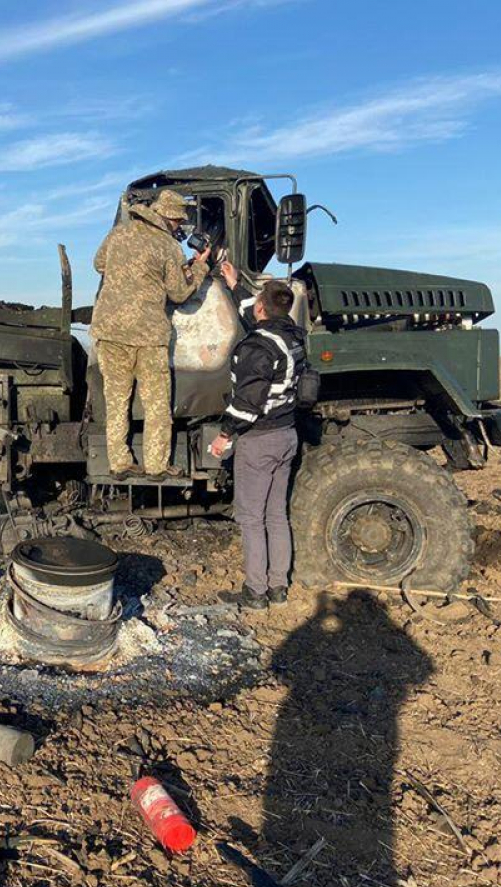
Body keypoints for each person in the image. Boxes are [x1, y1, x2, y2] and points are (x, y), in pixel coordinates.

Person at [91, 189, 212, 480]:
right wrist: (200, 266)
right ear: (171, 218)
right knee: (156, 404)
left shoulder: (119, 234)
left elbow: (99, 264)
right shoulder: (168, 247)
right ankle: (156, 466)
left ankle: (119, 463)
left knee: (117, 401)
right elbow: (180, 293)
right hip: (148, 337)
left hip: (110, 332)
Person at [209, 266, 306, 608]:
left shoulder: (256, 348)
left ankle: (255, 592)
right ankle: (278, 588)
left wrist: (224, 436)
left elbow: (247, 403)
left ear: (262, 308)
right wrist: (236, 286)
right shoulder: (292, 338)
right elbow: (257, 317)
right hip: (286, 434)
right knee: (276, 516)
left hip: (259, 440)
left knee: (251, 518)